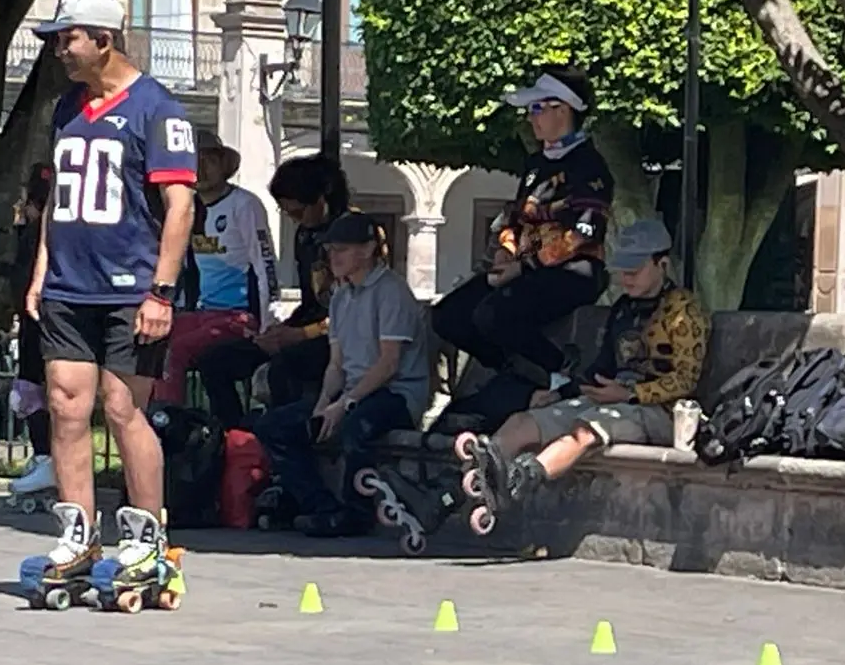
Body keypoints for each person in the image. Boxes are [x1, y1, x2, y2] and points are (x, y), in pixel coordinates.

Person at [21, 0, 198, 589]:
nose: (61, 52)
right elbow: (57, 199)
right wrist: (43, 270)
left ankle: (148, 536)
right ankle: (78, 533)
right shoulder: (67, 108)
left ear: (103, 38)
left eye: (68, 39)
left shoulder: (157, 109)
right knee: (66, 405)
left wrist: (161, 292)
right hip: (70, 285)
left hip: (131, 289)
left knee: (124, 409)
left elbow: (179, 207)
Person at [455, 219, 707, 522]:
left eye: (634, 271)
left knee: (584, 432)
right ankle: (472, 479)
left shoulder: (684, 310)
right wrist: (562, 393)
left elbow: (686, 379)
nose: (625, 279)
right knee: (522, 421)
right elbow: (601, 367)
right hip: (610, 399)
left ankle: (521, 479)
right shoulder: (624, 308)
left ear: (662, 263)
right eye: (622, 271)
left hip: (657, 410)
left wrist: (630, 394)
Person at [431, 65, 612, 419]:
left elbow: (582, 234)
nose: (531, 118)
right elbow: (514, 218)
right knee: (447, 316)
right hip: (522, 268)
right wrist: (505, 251)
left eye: (536, 108)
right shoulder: (534, 164)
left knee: (493, 314)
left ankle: (562, 371)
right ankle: (513, 372)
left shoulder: (591, 167)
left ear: (563, 109)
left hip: (574, 270)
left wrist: (523, 266)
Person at [253, 211, 430, 537]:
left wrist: (345, 403)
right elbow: (336, 364)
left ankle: (356, 513)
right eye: (330, 249)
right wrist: (323, 403)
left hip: (397, 394)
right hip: (351, 391)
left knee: (355, 428)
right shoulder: (340, 295)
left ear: (366, 250)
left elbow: (389, 364)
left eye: (342, 249)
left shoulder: (391, 291)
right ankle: (321, 506)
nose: (332, 256)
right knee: (274, 426)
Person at [196, 153, 348, 426]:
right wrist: (279, 330)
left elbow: (349, 314)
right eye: (286, 213)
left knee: (284, 367)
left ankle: (287, 435)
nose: (294, 220)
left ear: (322, 198)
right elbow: (311, 299)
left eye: (299, 212)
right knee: (214, 362)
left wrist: (299, 335)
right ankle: (237, 438)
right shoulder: (305, 234)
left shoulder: (350, 233)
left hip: (343, 339)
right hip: (308, 324)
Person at [152, 131, 280, 410]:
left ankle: (172, 422)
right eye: (195, 161)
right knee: (153, 339)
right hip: (201, 312)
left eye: (210, 160)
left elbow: (265, 263)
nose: (202, 168)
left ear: (223, 165)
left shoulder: (244, 205)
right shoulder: (187, 209)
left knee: (180, 350)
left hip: (239, 314)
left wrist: (268, 320)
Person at [6, 163, 58, 507]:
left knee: (31, 390)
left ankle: (45, 457)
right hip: (53, 317)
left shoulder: (36, 232)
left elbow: (21, 276)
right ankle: (48, 460)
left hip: (37, 320)